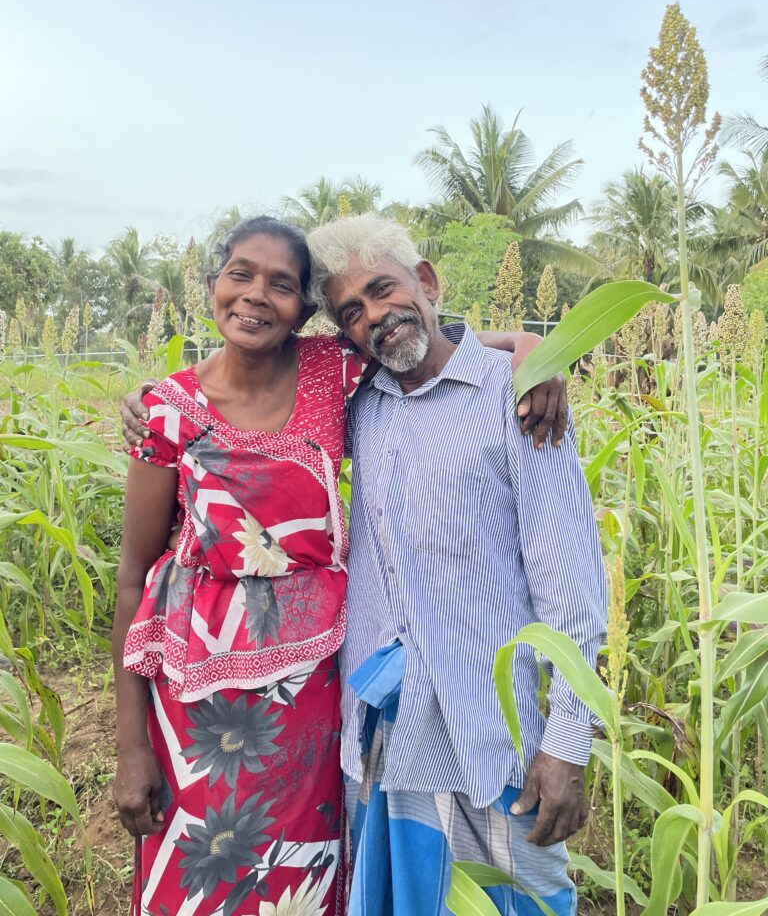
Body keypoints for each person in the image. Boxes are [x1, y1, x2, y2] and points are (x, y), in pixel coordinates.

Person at [114, 215, 567, 916]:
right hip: (196, 704)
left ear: (303, 312)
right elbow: (132, 576)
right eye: (240, 274)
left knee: (308, 877)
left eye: (282, 285)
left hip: (317, 702)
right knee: (199, 879)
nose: (256, 296)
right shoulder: (167, 411)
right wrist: (130, 747)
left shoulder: (331, 373)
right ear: (212, 285)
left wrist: (534, 348)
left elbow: (430, 346)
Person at [305, 213, 607, 916]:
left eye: (384, 290)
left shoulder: (518, 393)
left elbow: (570, 587)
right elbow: (251, 380)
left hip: (489, 740)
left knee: (516, 901)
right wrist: (153, 403)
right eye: (352, 312)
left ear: (429, 283)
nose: (375, 316)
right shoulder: (359, 405)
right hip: (384, 729)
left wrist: (566, 743)